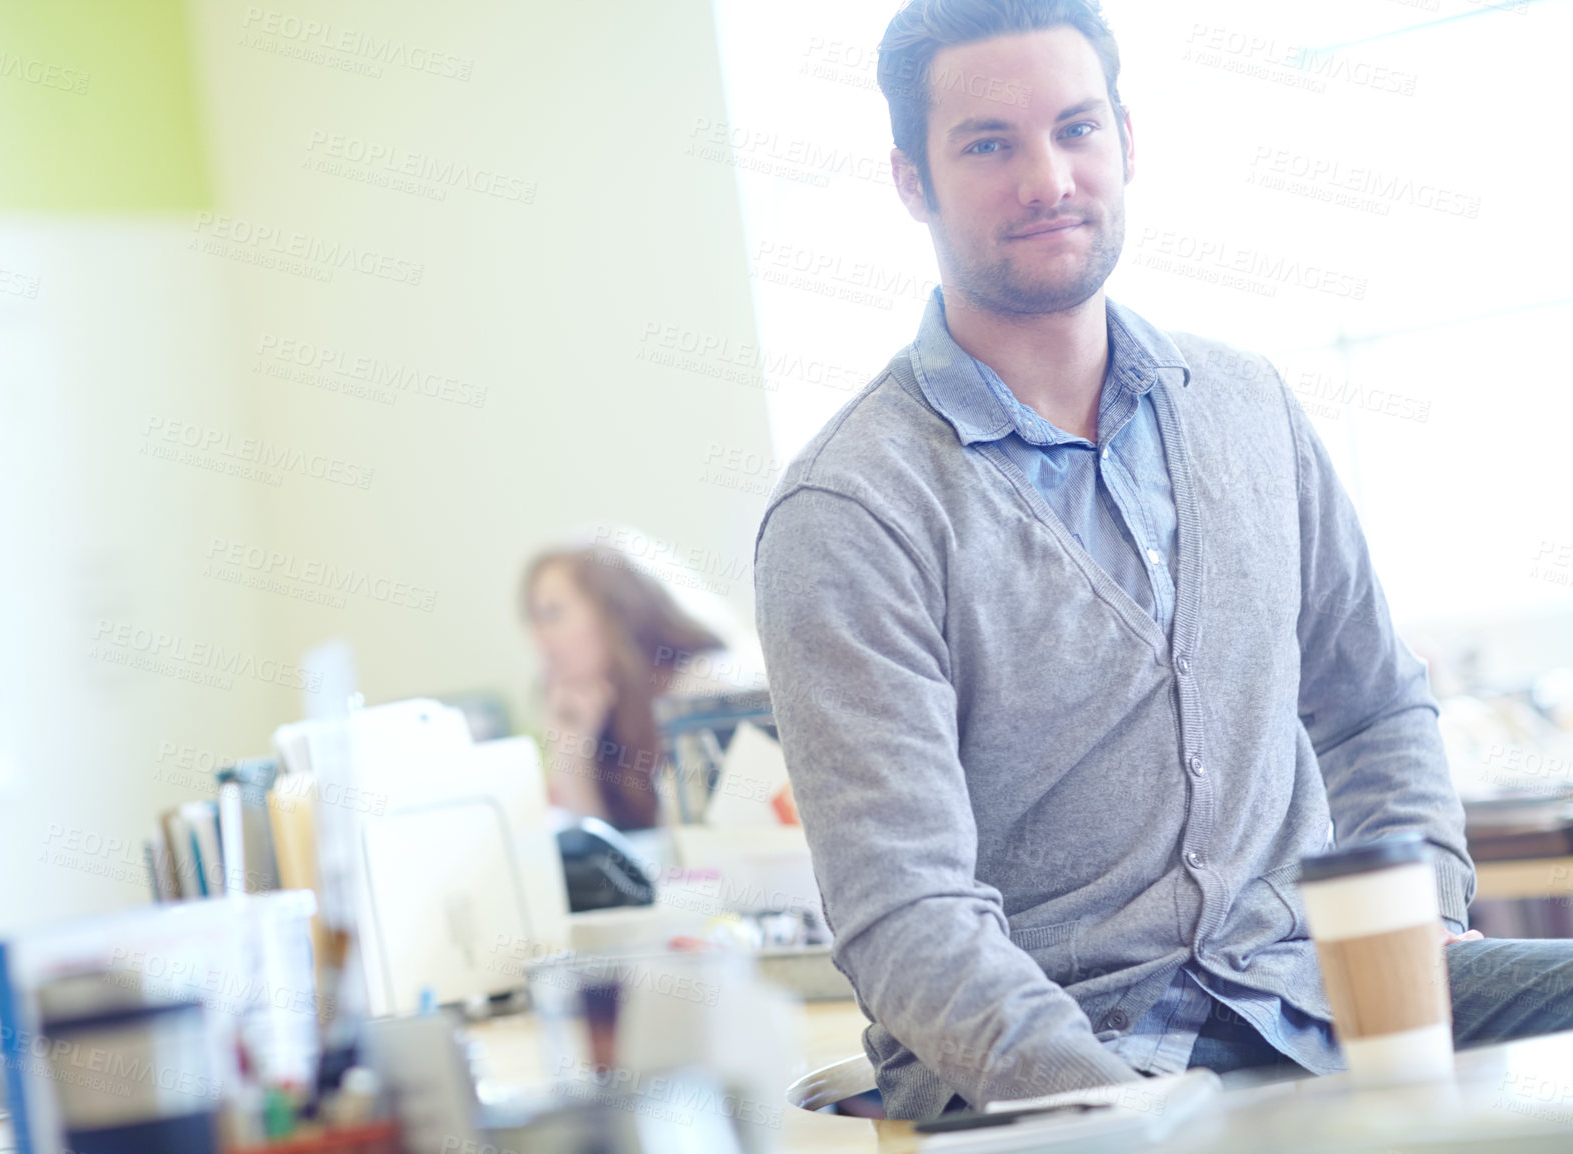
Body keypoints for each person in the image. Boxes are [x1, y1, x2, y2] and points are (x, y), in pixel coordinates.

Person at [752, 0, 1573, 1121]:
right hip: (1071, 1052)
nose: (1047, 178)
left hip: (1312, 991)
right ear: (911, 181)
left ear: (1125, 143)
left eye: (1075, 128)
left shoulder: (1248, 405)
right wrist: (1139, 1118)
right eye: (988, 144)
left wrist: (1416, 911)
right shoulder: (849, 511)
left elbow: (1373, 704)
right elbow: (907, 912)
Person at [523, 541, 736, 830]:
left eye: (553, 614)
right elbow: (592, 860)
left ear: (614, 609)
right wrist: (572, 751)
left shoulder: (703, 685)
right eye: (533, 619)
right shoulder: (595, 707)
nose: (539, 638)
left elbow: (690, 850)